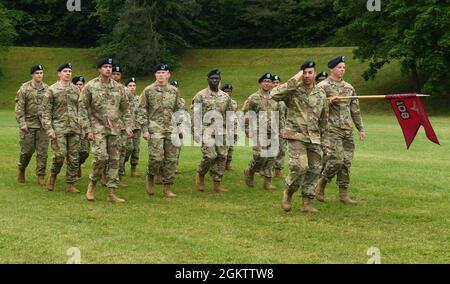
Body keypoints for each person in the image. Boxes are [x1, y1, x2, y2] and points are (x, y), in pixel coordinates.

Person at [271, 61, 328, 213]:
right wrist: (295, 78)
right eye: (305, 72)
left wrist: (325, 141)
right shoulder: (293, 90)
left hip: (314, 137)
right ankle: (288, 192)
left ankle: (307, 202)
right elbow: (274, 94)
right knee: (300, 167)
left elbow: (324, 118)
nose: (307, 75)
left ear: (315, 73)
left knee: (315, 169)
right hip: (295, 134)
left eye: (310, 72)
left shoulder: (321, 93)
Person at [79, 58, 133, 203]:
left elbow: (125, 109)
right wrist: (87, 129)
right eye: (105, 67)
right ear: (99, 69)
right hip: (97, 127)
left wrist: (128, 126)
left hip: (114, 128)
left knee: (115, 160)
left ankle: (111, 192)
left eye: (110, 67)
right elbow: (83, 108)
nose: (108, 69)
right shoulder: (90, 86)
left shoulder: (119, 88)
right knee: (101, 157)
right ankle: (92, 185)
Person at [315, 56, 366, 205]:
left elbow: (355, 110)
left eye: (344, 67)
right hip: (331, 129)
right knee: (336, 160)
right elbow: (314, 108)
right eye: (339, 67)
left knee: (346, 163)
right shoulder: (322, 87)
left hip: (347, 130)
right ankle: (322, 183)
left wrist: (360, 128)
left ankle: (343, 194)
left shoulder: (349, 88)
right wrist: (328, 102)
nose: (342, 70)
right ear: (332, 69)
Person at [139, 64, 186, 198]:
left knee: (171, 159)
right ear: (155, 75)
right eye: (158, 72)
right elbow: (142, 109)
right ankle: (150, 176)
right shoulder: (148, 90)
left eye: (163, 72)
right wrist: (144, 129)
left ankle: (167, 187)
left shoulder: (174, 91)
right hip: (155, 128)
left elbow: (179, 109)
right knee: (156, 157)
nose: (161, 75)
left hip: (171, 129)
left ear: (168, 75)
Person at [42, 63, 82, 193]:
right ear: (59, 73)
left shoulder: (76, 89)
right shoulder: (52, 90)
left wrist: (82, 127)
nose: (68, 73)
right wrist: (49, 129)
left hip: (74, 127)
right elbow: (46, 112)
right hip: (58, 128)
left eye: (70, 71)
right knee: (60, 155)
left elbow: (80, 109)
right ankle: (53, 176)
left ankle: (70, 183)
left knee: (74, 157)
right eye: (65, 71)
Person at [192, 69, 233, 193]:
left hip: (221, 131)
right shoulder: (200, 95)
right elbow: (195, 115)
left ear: (219, 80)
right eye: (212, 78)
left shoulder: (225, 96)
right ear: (208, 80)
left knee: (222, 156)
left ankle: (217, 184)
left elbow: (229, 114)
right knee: (210, 156)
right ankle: (200, 174)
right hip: (206, 131)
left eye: (216, 79)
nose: (214, 81)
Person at [243, 73, 280, 190]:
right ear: (260, 83)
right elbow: (245, 113)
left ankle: (268, 182)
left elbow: (280, 113)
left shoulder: (276, 97)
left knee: (272, 157)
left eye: (269, 81)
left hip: (273, 131)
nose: (267, 83)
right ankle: (250, 170)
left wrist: (282, 128)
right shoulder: (253, 98)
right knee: (260, 155)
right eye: (264, 81)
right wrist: (247, 129)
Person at [15, 64, 50, 186]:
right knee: (27, 151)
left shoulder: (47, 89)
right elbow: (19, 108)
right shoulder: (24, 88)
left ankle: (41, 176)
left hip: (43, 126)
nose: (39, 75)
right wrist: (22, 123)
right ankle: (21, 169)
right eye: (37, 73)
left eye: (41, 73)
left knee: (43, 152)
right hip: (28, 125)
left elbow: (51, 107)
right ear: (32, 74)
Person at [124, 77, 142, 177]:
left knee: (136, 149)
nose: (132, 87)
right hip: (126, 127)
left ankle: (133, 169)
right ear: (126, 87)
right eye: (130, 85)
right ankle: (121, 165)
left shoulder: (139, 99)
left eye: (134, 85)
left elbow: (142, 112)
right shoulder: (123, 98)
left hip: (137, 127)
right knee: (128, 148)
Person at [72, 76, 90, 178]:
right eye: (77, 84)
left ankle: (78, 164)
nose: (79, 86)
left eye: (81, 84)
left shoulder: (86, 96)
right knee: (74, 151)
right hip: (72, 127)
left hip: (84, 127)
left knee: (85, 151)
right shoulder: (70, 95)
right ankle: (74, 172)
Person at [272, 75, 287, 178]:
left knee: (282, 149)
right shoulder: (267, 97)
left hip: (282, 128)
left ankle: (278, 169)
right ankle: (266, 169)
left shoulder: (284, 98)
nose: (276, 84)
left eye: (277, 82)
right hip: (270, 129)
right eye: (274, 82)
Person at [221, 83, 239, 171]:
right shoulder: (219, 102)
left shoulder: (234, 103)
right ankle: (220, 165)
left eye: (229, 91)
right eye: (226, 91)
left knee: (231, 148)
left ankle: (227, 165)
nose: (228, 93)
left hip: (232, 129)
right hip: (222, 128)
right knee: (222, 148)